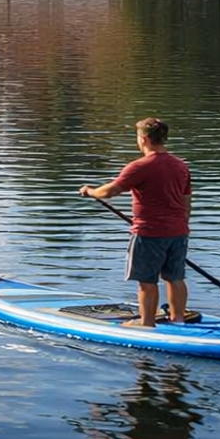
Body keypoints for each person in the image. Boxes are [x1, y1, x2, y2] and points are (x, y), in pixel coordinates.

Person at [80, 117, 191, 328]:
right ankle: (178, 320)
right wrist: (183, 227)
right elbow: (186, 201)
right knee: (175, 277)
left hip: (149, 233)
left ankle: (147, 323)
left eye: (137, 137)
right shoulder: (181, 166)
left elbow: (110, 191)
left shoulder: (139, 167)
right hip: (178, 231)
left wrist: (90, 191)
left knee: (147, 281)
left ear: (144, 139)